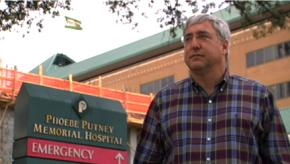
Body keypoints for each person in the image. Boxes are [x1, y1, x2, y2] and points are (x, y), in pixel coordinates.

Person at [134, 14, 290, 163]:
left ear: (224, 46)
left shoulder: (258, 97)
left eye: (203, 36)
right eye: (188, 39)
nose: (194, 44)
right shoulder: (164, 102)